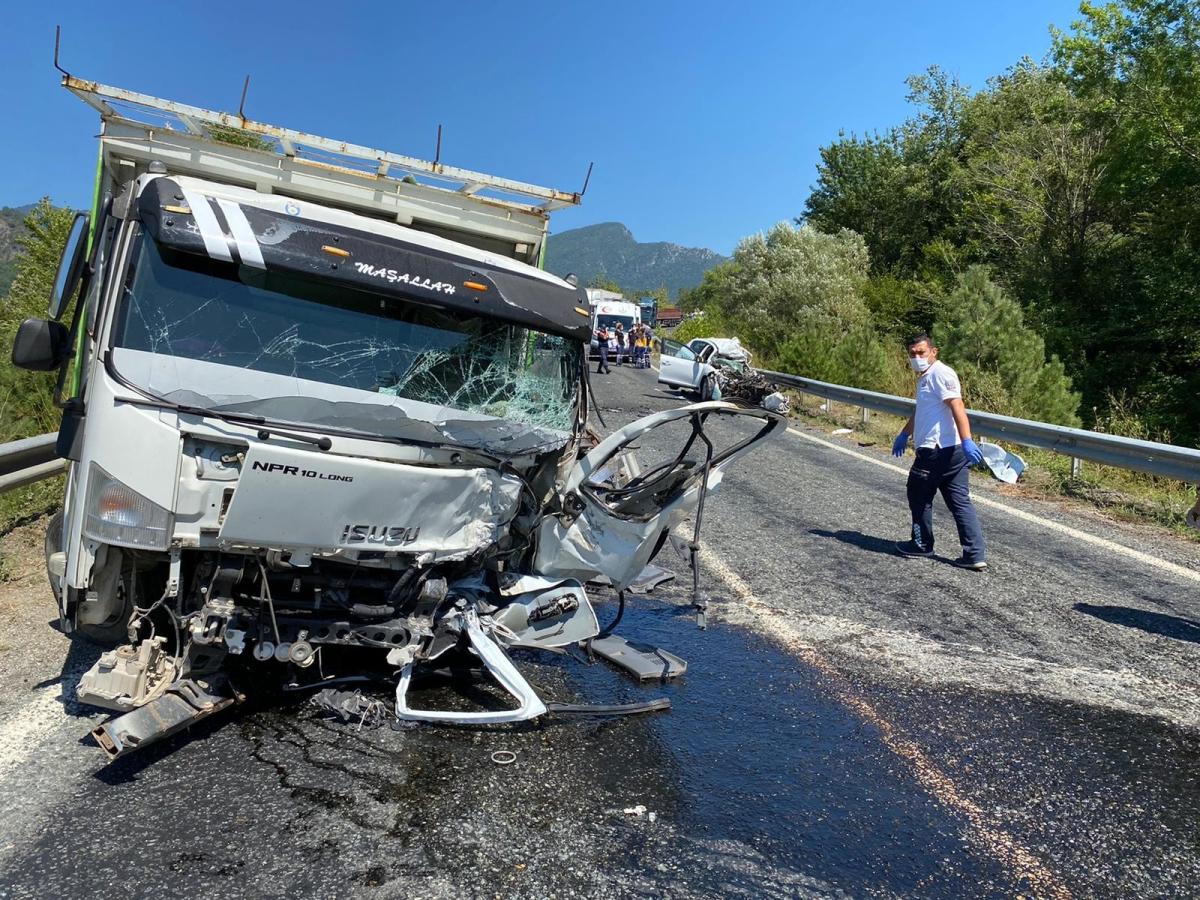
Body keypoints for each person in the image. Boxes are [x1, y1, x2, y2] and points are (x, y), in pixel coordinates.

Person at [891, 333, 988, 570]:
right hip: (950, 451)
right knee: (959, 502)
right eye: (912, 354)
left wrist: (967, 440)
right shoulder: (926, 378)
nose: (917, 357)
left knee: (918, 496)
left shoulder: (940, 373)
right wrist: (905, 433)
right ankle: (974, 554)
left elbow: (957, 405)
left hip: (937, 450)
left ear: (934, 352)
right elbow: (923, 411)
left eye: (921, 352)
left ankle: (922, 544)